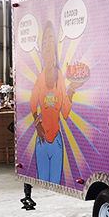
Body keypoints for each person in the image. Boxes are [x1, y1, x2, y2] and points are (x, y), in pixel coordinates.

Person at [30, 21, 78, 184]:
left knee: (55, 183)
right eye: (45, 40)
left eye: (51, 39)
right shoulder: (40, 78)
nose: (48, 44)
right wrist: (37, 123)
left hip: (56, 141)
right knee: (44, 182)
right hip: (42, 140)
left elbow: (65, 112)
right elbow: (32, 103)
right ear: (42, 47)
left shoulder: (60, 77)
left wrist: (72, 89)